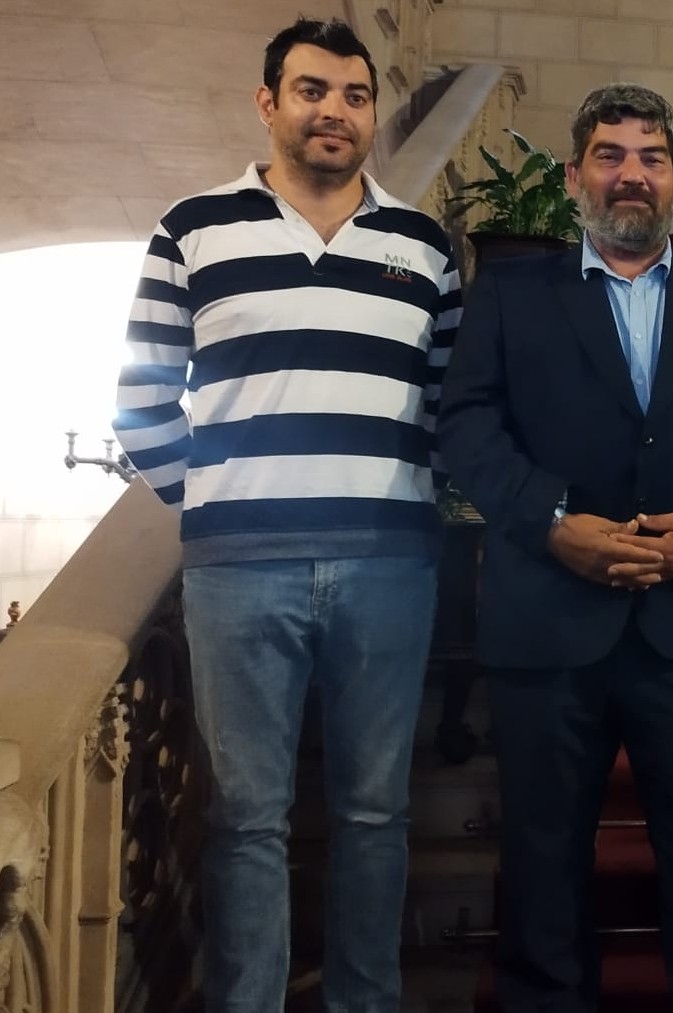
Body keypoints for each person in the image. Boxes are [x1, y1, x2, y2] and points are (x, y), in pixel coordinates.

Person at [111, 17, 459, 1011]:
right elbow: (141, 402)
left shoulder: (425, 247)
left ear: (373, 113)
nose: (334, 111)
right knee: (244, 820)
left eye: (355, 95)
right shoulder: (192, 229)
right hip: (238, 572)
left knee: (375, 814)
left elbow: (447, 408)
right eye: (312, 90)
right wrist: (218, 504)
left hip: (389, 569)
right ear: (269, 103)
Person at [436, 83, 673, 1013]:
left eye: (651, 158)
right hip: (549, 623)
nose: (632, 174)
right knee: (544, 858)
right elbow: (467, 425)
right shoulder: (511, 292)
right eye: (611, 155)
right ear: (573, 175)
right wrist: (553, 521)